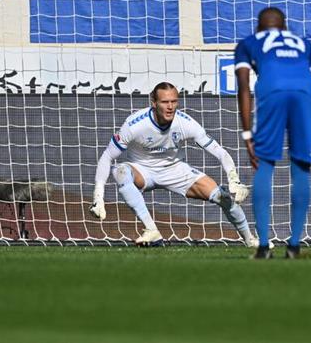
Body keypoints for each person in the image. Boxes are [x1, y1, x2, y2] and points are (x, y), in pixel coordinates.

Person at [89, 82, 259, 247]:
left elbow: (219, 151)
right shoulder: (134, 125)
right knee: (120, 171)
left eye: (174, 101)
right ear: (154, 103)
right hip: (142, 170)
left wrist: (234, 179)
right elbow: (107, 156)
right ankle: (151, 230)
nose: (170, 107)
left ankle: (250, 240)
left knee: (222, 197)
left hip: (175, 169)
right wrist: (98, 196)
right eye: (165, 102)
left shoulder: (185, 123)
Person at [235, 7, 311, 259]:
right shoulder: (304, 43)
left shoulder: (249, 42)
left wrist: (247, 135)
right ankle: (294, 246)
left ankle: (263, 247)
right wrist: (308, 122)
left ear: (258, 27)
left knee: (263, 164)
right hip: (305, 91)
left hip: (272, 88)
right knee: (301, 166)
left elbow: (243, 88)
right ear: (285, 27)